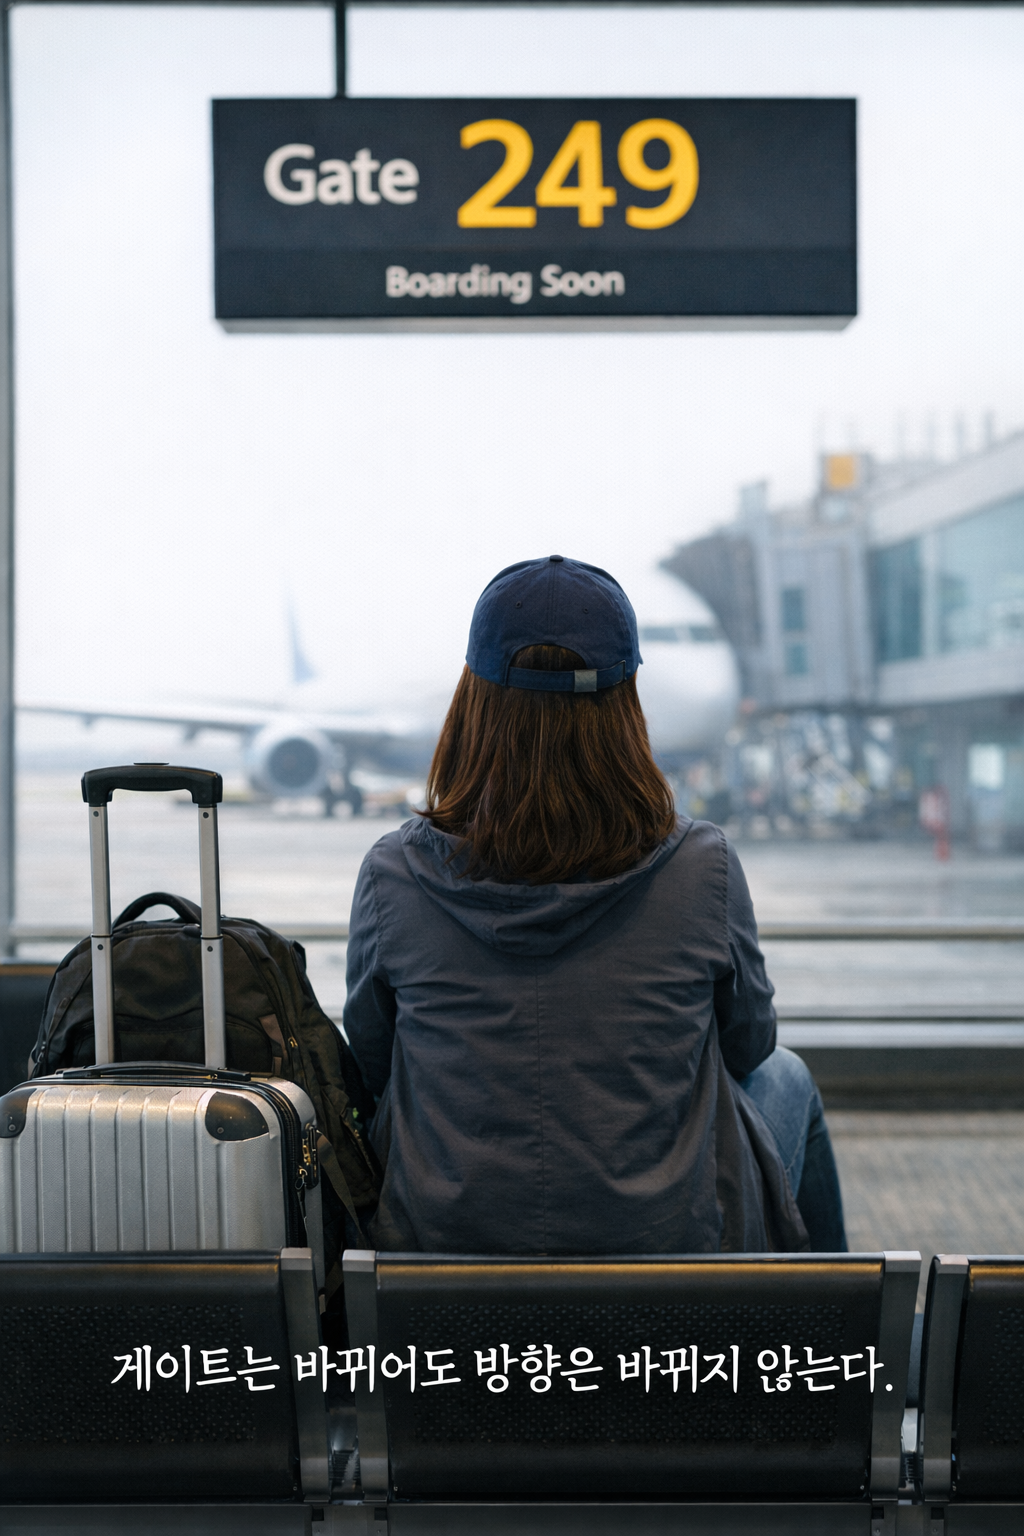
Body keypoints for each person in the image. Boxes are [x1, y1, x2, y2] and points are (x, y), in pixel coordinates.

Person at [344, 556, 847, 1256]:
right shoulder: (702, 867)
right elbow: (748, 1045)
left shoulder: (393, 873)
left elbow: (370, 1065)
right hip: (667, 1257)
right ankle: (830, 1337)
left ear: (474, 700)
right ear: (626, 706)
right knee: (785, 1076)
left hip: (442, 1270)